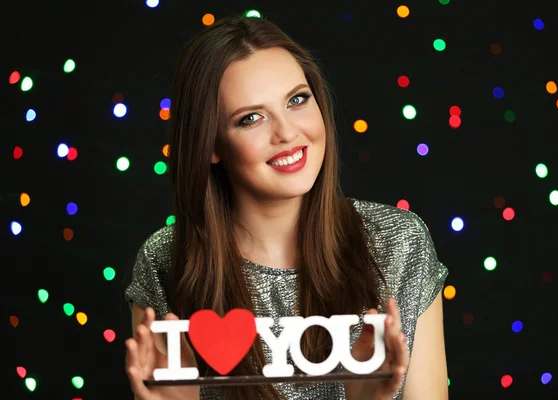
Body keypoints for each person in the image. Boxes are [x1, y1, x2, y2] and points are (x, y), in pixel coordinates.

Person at [124, 14, 449, 400]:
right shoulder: (165, 261)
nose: (287, 133)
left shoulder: (398, 243)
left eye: (297, 100)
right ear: (210, 143)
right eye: (251, 118)